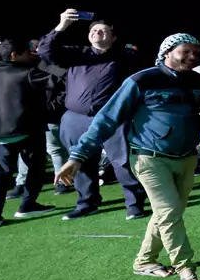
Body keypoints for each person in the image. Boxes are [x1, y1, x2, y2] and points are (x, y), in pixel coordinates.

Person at [56, 33, 200, 280]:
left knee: (167, 214)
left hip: (187, 158)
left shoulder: (199, 81)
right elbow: (106, 118)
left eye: (196, 51)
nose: (193, 56)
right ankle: (185, 268)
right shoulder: (142, 79)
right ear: (167, 51)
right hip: (149, 158)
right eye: (186, 51)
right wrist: (77, 156)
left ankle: (144, 261)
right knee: (169, 212)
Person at [38, 11, 147, 220]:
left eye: (104, 31)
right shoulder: (76, 53)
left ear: (113, 37)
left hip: (113, 119)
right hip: (75, 118)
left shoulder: (124, 57)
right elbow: (45, 51)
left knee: (122, 161)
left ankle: (135, 204)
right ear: (89, 35)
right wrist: (62, 26)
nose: (98, 33)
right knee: (80, 161)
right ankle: (87, 202)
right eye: (94, 30)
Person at [0, 37, 56, 227]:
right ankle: (27, 205)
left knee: (0, 173)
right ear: (14, 55)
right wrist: (44, 59)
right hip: (28, 130)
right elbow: (56, 80)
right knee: (35, 168)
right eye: (27, 52)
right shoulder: (27, 72)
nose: (31, 54)